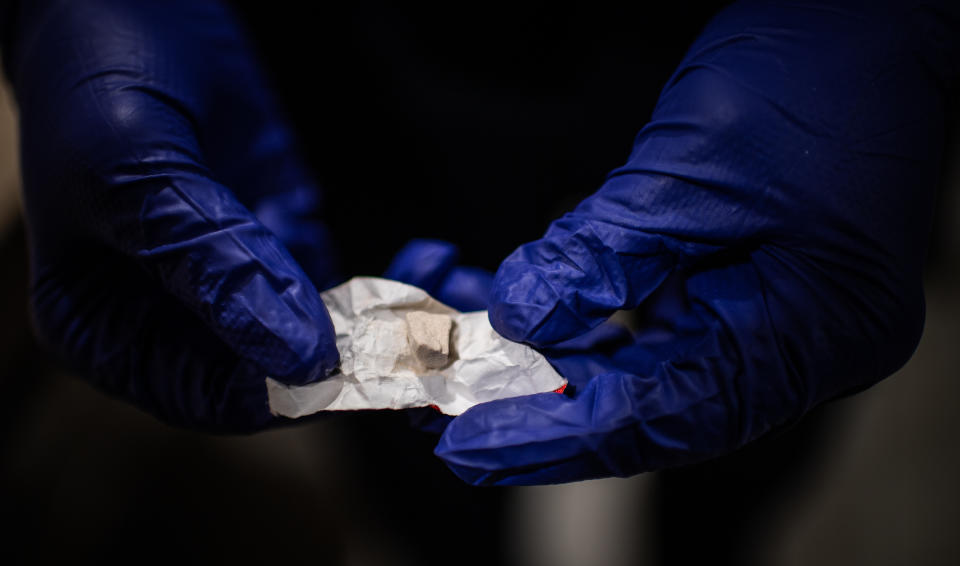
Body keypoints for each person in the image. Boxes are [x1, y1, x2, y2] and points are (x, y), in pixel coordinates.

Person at [2, 0, 957, 485]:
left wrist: (895, 19)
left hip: (738, 96)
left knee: (737, 405)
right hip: (343, 103)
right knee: (414, 458)